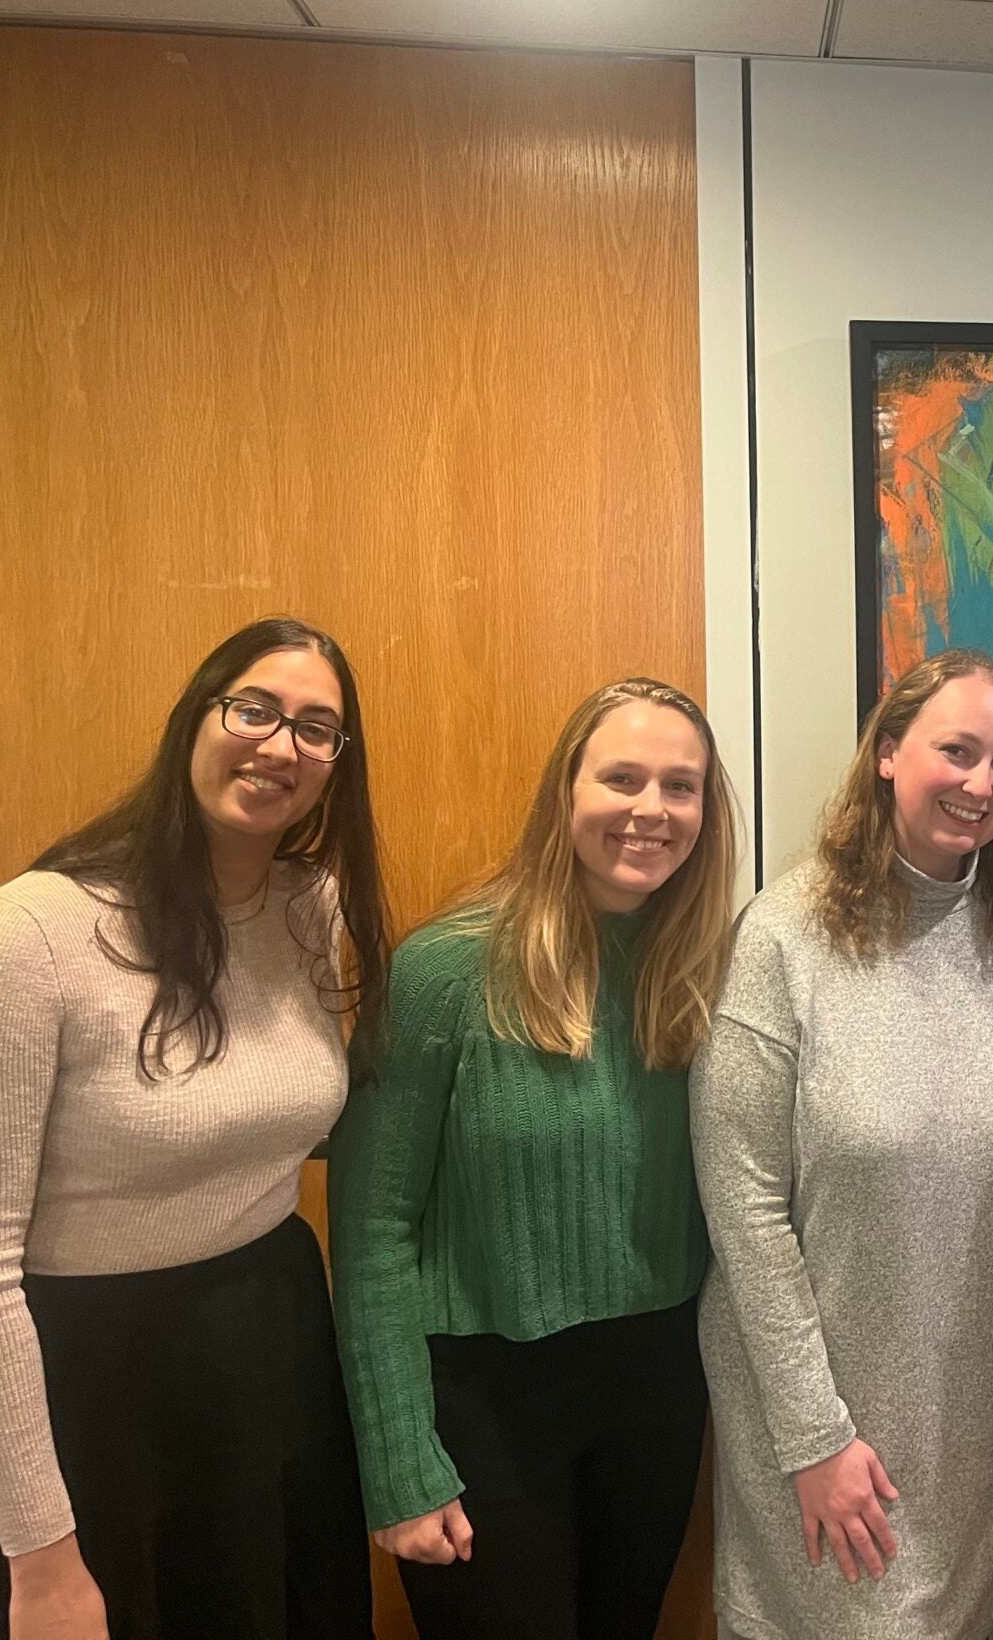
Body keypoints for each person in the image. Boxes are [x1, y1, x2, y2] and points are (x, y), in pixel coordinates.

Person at [0, 616, 386, 1639]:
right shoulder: (25, 938)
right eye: (253, 708)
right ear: (193, 721)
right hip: (69, 1391)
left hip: (262, 1354)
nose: (280, 743)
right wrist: (40, 1559)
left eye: (316, 727)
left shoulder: (313, 908)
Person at [330, 678, 738, 1638]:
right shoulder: (446, 971)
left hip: (656, 1393)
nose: (651, 810)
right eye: (623, 778)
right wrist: (397, 1462)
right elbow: (371, 1230)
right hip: (482, 1402)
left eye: (680, 787)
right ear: (567, 793)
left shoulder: (708, 975)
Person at [694, 647, 993, 1640]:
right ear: (889, 751)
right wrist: (813, 1435)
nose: (981, 784)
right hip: (818, 1422)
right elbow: (740, 1203)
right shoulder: (783, 937)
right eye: (957, 750)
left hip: (982, 1412)